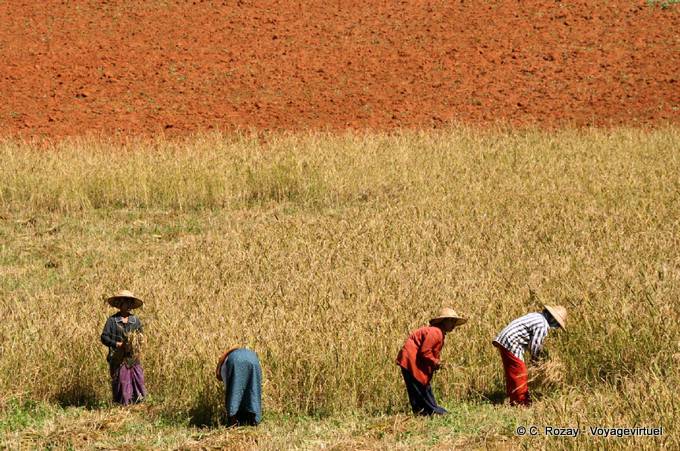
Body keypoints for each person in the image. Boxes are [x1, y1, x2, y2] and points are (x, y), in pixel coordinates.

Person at [396, 307, 467, 416]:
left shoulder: (437, 332)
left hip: (409, 359)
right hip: (410, 359)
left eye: (454, 321)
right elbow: (425, 352)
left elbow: (427, 353)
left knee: (417, 387)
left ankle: (423, 412)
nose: (453, 324)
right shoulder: (436, 332)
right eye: (451, 321)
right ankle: (432, 411)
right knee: (420, 386)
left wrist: (434, 364)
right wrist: (437, 363)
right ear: (443, 321)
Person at [492, 305, 567, 406]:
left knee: (513, 372)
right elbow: (535, 344)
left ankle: (514, 398)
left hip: (506, 340)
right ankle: (521, 402)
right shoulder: (542, 324)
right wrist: (536, 360)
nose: (555, 327)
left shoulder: (538, 316)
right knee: (520, 372)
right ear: (553, 319)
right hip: (512, 342)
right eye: (557, 325)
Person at [100, 290, 147, 405]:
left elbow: (141, 336)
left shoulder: (135, 321)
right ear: (120, 304)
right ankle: (123, 405)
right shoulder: (112, 321)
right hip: (118, 358)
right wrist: (117, 344)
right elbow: (104, 337)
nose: (128, 305)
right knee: (122, 381)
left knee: (138, 379)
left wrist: (136, 343)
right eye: (126, 303)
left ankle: (137, 404)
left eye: (130, 303)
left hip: (132, 357)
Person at [216, 347, 262, 426]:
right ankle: (253, 420)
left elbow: (229, 389)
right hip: (254, 360)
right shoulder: (231, 356)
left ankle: (233, 422)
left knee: (233, 391)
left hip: (235, 361)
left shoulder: (224, 366)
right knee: (253, 388)